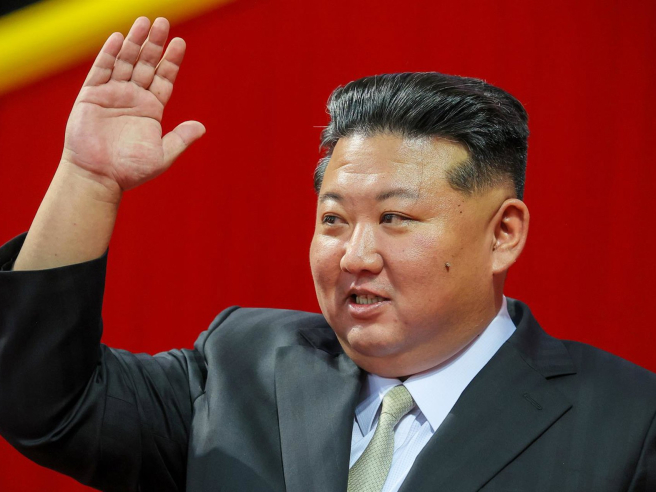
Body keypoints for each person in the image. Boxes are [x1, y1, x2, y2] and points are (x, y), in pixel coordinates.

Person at [0, 16, 654, 492]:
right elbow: (43, 404)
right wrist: (88, 180)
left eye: (395, 218)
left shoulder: (628, 423)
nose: (356, 256)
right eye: (334, 220)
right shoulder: (240, 369)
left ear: (503, 233)